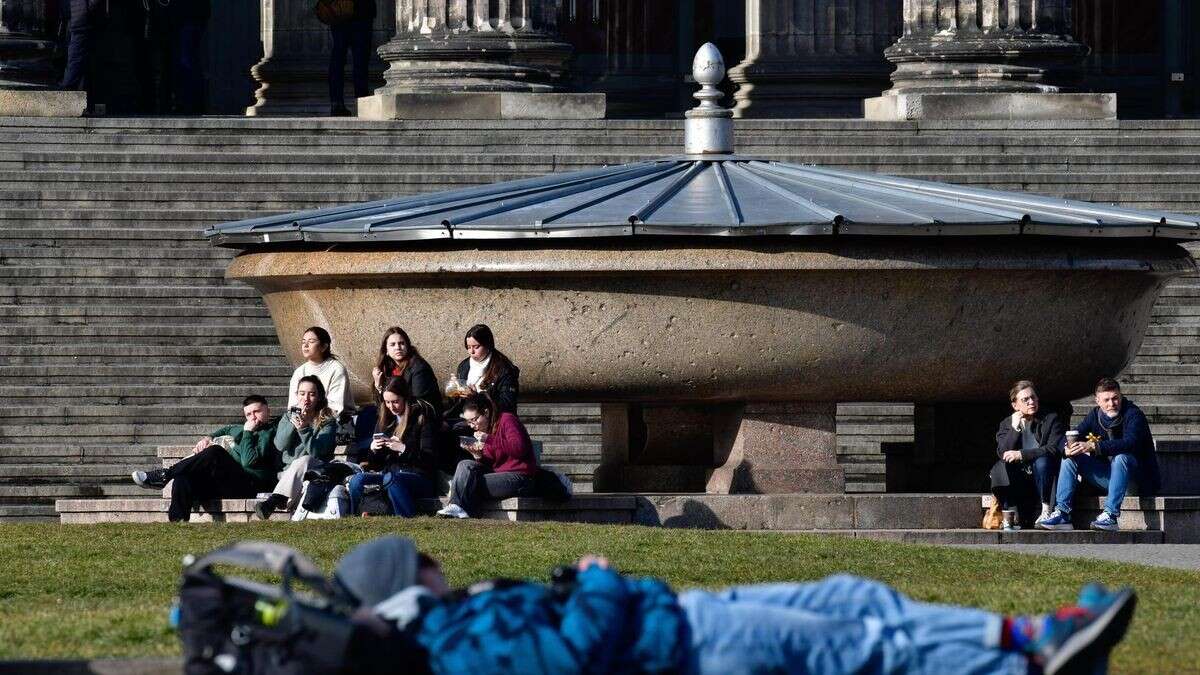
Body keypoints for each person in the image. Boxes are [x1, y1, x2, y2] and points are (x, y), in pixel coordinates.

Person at [334, 536, 1138, 675]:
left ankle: (1032, 634)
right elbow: (573, 654)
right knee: (863, 647)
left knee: (852, 598)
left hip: (687, 616)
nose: (441, 570)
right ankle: (1028, 660)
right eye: (426, 564)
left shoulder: (444, 628)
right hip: (688, 646)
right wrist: (599, 578)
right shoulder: (447, 649)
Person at [1039, 378, 1162, 533]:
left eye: (1115, 398)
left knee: (1121, 457)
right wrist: (1067, 447)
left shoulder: (1134, 414)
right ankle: (1063, 513)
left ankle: (1111, 515)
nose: (1111, 404)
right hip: (1109, 478)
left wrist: (1093, 446)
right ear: (1097, 401)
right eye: (1107, 400)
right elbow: (1072, 434)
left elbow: (1130, 443)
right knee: (1071, 456)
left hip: (1135, 481)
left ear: (1121, 396)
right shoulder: (1095, 415)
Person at [131, 394, 278, 522]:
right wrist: (208, 438)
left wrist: (247, 433)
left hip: (251, 486)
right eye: (248, 414)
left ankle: (165, 475)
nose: (253, 418)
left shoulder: (270, 433)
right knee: (183, 477)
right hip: (226, 484)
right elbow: (226, 429)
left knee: (215, 452)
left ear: (267, 410)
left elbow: (248, 461)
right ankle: (177, 523)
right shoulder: (240, 428)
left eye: (257, 411)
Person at [346, 377, 439, 517]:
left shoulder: (421, 417)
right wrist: (374, 449)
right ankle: (354, 517)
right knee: (357, 480)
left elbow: (429, 458)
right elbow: (376, 465)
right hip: (388, 474)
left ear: (405, 398)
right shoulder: (386, 419)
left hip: (419, 477)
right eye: (387, 402)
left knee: (393, 479)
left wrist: (403, 449)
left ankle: (406, 518)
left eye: (395, 402)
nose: (391, 407)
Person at [436, 394, 536, 519]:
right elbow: (491, 463)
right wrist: (478, 456)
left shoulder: (507, 420)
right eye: (468, 422)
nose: (472, 425)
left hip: (520, 476)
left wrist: (489, 439)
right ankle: (456, 506)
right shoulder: (486, 430)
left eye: (474, 419)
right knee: (465, 464)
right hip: (499, 474)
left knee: (470, 484)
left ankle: (464, 509)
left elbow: (519, 448)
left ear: (486, 413)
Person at [255, 375, 338, 519]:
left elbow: (318, 452)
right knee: (298, 464)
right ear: (296, 395)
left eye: (312, 394)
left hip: (317, 469)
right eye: (302, 393)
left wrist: (304, 429)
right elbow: (280, 445)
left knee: (305, 459)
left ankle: (274, 500)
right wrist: (293, 423)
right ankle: (280, 498)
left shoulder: (327, 420)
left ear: (319, 397)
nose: (306, 399)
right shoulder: (288, 417)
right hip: (289, 473)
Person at [990, 380, 1064, 527]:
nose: (1031, 402)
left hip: (1043, 471)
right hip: (1020, 474)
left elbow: (1053, 448)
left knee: (1042, 461)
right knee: (999, 467)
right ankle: (1011, 511)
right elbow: (1002, 453)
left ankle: (1046, 510)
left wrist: (1022, 454)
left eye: (1033, 397)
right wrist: (1014, 429)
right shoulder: (1007, 423)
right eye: (1025, 399)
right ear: (1015, 405)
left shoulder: (1050, 419)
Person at [355, 327, 443, 438]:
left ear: (408, 346)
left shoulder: (419, 368)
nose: (398, 348)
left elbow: (418, 404)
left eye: (401, 343)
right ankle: (370, 448)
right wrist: (378, 385)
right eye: (392, 344)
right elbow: (381, 404)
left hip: (420, 417)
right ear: (386, 350)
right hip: (397, 413)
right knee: (367, 413)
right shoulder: (387, 368)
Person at [445, 323, 520, 423]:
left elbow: (507, 404)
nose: (471, 351)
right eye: (468, 347)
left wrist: (477, 397)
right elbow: (455, 404)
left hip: (491, 422)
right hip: (464, 418)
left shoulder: (504, 369)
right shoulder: (464, 366)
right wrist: (455, 389)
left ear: (487, 345)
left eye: (476, 347)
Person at [288, 326, 355, 416]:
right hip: (303, 419)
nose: (305, 345)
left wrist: (311, 417)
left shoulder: (336, 369)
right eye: (303, 342)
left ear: (323, 347)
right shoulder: (299, 372)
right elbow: (292, 407)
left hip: (336, 422)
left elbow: (335, 408)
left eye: (311, 342)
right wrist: (302, 418)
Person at [326, 0, 375, 116]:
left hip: (352, 13)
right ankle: (356, 103)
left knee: (350, 60)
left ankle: (340, 103)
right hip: (346, 13)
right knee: (357, 61)